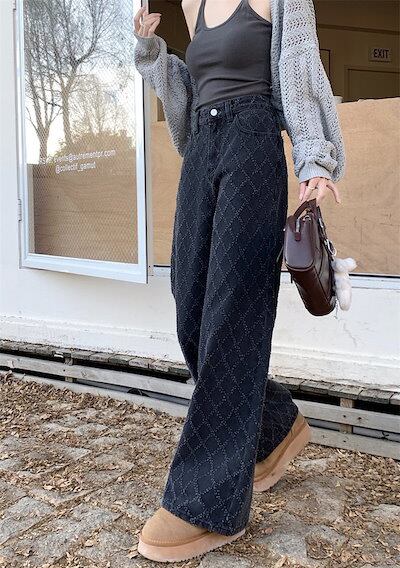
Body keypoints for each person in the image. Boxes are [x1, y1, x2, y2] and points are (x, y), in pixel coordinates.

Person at [132, 0, 345, 562]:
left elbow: (300, 70)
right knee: (190, 307)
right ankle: (275, 426)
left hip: (253, 143)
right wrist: (154, 54)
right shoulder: (192, 5)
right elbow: (189, 94)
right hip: (202, 152)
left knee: (233, 311)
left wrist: (315, 161)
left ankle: (206, 503)